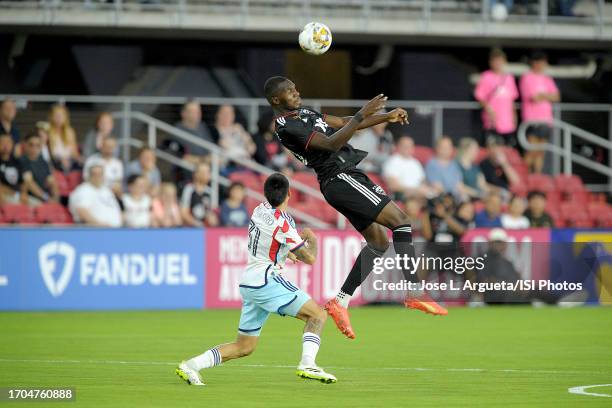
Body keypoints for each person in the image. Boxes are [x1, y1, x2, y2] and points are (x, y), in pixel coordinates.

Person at [264, 76, 447, 340]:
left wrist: (385, 117)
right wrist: (362, 114)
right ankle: (415, 291)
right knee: (402, 222)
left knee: (379, 243)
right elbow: (330, 143)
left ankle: (340, 301)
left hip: (345, 177)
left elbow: (341, 124)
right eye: (289, 91)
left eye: (295, 88)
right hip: (339, 177)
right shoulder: (285, 127)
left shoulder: (303, 112)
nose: (296, 92)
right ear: (276, 100)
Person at [176, 173, 336, 385]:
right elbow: (310, 258)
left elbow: (268, 238)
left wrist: (285, 251)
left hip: (249, 282)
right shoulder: (285, 223)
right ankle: (308, 363)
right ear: (289, 193)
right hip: (267, 279)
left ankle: (190, 366)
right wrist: (311, 239)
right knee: (317, 315)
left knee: (245, 346)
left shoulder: (258, 210)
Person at [520, 52, 560, 173]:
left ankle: (537, 178)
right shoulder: (527, 77)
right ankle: (523, 177)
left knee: (540, 152)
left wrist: (543, 95)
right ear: (535, 63)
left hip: (546, 121)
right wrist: (547, 96)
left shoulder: (547, 78)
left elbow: (557, 97)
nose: (543, 65)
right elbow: (534, 98)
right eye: (541, 62)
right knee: (532, 151)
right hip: (532, 120)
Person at [474, 48, 519, 147]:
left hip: (508, 124)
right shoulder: (486, 76)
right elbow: (479, 96)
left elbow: (512, 99)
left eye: (499, 60)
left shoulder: (509, 77)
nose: (497, 63)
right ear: (490, 62)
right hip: (492, 122)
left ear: (504, 61)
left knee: (508, 151)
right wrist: (489, 109)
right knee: (492, 150)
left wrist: (514, 117)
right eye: (495, 61)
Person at [382, 135, 432, 200]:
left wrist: (427, 189)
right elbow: (393, 186)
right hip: (402, 195)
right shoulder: (392, 161)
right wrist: (416, 190)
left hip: (419, 194)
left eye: (410, 146)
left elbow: (423, 181)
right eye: (405, 146)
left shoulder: (415, 162)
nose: (407, 148)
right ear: (398, 146)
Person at [19, 132, 59, 205]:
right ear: (25, 145)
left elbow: (51, 181)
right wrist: (47, 198)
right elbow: (29, 183)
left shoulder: (43, 161)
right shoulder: (22, 161)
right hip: (30, 198)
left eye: (38, 145)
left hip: (45, 198)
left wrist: (56, 197)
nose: (34, 148)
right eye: (31, 145)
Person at [174, 100, 215, 165]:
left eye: (198, 111)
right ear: (183, 113)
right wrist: (204, 160)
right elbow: (182, 157)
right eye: (193, 112)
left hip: (206, 169)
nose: (197, 114)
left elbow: (212, 149)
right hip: (188, 171)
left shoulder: (202, 127)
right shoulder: (177, 131)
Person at [180, 162, 219, 227]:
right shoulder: (188, 189)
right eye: (203, 172)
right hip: (190, 228)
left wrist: (212, 218)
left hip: (206, 229)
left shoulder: (211, 192)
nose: (207, 174)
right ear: (196, 174)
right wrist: (198, 224)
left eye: (208, 172)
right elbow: (184, 213)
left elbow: (213, 212)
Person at [48, 104, 81, 172]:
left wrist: (79, 158)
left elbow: (74, 152)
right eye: (56, 115)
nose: (59, 118)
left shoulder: (70, 131)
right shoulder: (48, 131)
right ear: (52, 117)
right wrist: (62, 159)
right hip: (55, 160)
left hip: (69, 159)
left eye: (61, 115)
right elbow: (51, 153)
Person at [0, 133, 26, 204]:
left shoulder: (17, 161)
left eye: (8, 142)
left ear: (12, 144)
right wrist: (14, 194)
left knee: (38, 208)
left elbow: (23, 181)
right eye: (2, 142)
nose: (5, 145)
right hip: (5, 196)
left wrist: (23, 194)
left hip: (19, 196)